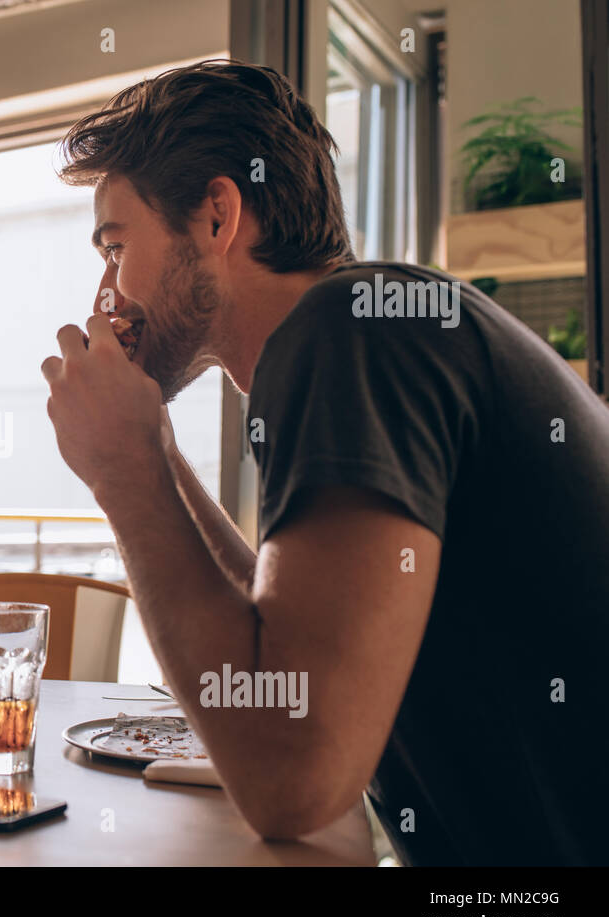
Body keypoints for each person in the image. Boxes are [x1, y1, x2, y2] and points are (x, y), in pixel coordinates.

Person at [41, 59, 609, 865]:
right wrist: (151, 452)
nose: (106, 292)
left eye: (116, 245)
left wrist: (125, 473)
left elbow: (292, 776)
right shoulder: (374, 324)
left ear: (216, 217)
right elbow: (283, 643)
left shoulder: (350, 335)